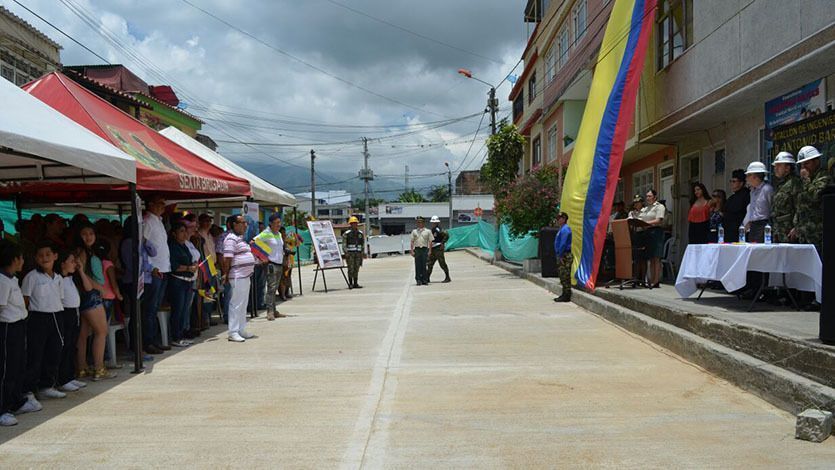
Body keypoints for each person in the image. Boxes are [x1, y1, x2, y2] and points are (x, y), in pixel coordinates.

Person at [0, 241, 39, 426]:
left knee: (17, 366)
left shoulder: (11, 278)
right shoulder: (2, 280)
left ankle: (16, 401)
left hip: (18, 325)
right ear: (15, 259)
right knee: (6, 369)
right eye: (21, 258)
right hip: (7, 327)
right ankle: (3, 408)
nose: (23, 261)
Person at [21, 241, 66, 399]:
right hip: (37, 318)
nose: (44, 258)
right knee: (35, 354)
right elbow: (25, 300)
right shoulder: (31, 277)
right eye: (40, 255)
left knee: (54, 351)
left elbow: (60, 299)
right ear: (35, 258)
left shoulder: (59, 278)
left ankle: (47, 385)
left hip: (56, 316)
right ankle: (28, 389)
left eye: (48, 254)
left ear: (55, 256)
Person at [75, 225, 117, 381]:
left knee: (83, 334)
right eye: (84, 234)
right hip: (91, 294)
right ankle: (99, 368)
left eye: (91, 233)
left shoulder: (90, 251)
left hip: (89, 295)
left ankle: (82, 368)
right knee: (101, 332)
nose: (88, 236)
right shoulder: (82, 252)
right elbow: (83, 276)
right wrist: (100, 288)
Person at [142, 195, 171, 354]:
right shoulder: (147, 221)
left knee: (155, 308)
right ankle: (148, 342)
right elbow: (141, 245)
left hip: (163, 269)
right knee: (150, 309)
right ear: (151, 204)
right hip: (154, 271)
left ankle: (153, 340)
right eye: (159, 204)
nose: (162, 207)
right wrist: (150, 267)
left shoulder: (158, 221)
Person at [791, 145, 831, 254]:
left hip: (817, 232)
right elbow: (800, 205)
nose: (804, 167)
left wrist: (806, 180)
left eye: (807, 163)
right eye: (801, 165)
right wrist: (796, 226)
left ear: (816, 161)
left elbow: (814, 197)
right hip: (804, 232)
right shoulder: (804, 180)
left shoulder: (824, 177)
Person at [222, 215, 256, 342]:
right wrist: (226, 273)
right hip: (237, 275)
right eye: (242, 223)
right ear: (234, 225)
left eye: (245, 223)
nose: (245, 225)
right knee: (236, 304)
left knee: (243, 304)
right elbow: (227, 258)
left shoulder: (240, 239)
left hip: (245, 275)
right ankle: (233, 331)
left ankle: (241, 329)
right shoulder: (231, 239)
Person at [56, 250, 86, 392]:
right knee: (66, 345)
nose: (75, 264)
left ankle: (69, 376)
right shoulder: (59, 279)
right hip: (66, 313)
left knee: (72, 345)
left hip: (75, 312)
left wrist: (80, 270)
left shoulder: (70, 278)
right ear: (63, 264)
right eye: (72, 261)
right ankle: (62, 378)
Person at [167, 221, 196, 348]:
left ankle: (182, 334)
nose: (184, 234)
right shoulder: (172, 247)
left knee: (184, 310)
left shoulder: (184, 245)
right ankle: (176, 337)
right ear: (174, 234)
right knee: (177, 310)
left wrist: (192, 266)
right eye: (181, 232)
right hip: (177, 281)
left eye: (185, 231)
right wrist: (188, 268)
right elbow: (173, 266)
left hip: (187, 281)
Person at [630, 190, 666, 288]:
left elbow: (659, 220)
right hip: (647, 232)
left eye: (650, 196)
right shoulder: (646, 208)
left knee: (656, 257)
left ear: (655, 197)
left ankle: (656, 280)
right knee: (650, 257)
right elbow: (641, 219)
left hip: (656, 231)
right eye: (647, 196)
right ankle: (650, 280)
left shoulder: (659, 207)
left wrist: (646, 224)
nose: (648, 198)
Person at [256, 214, 286, 320]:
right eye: (276, 223)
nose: (279, 225)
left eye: (279, 222)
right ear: (270, 223)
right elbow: (254, 242)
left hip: (279, 264)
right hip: (271, 265)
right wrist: (263, 257)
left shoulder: (278, 234)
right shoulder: (266, 233)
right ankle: (269, 311)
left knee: (275, 288)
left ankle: (274, 309)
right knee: (271, 288)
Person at [770, 151, 802, 243]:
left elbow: (799, 207)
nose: (775, 169)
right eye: (775, 166)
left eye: (779, 166)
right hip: (779, 231)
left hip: (789, 231)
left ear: (787, 168)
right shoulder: (781, 184)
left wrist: (796, 227)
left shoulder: (794, 183)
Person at [742, 161, 773, 243]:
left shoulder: (767, 189)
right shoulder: (752, 191)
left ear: (756, 177)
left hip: (764, 225)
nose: (746, 178)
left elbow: (772, 207)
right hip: (753, 226)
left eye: (749, 175)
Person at [724, 169, 750, 243]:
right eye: (731, 181)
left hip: (740, 232)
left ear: (741, 183)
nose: (732, 184)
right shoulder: (731, 198)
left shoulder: (747, 195)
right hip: (729, 232)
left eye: (734, 181)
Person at [553, 212, 573, 303]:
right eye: (557, 218)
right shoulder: (561, 229)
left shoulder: (565, 229)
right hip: (562, 255)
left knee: (565, 276)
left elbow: (563, 244)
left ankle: (567, 295)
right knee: (562, 275)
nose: (558, 220)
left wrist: (560, 255)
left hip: (564, 255)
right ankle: (564, 293)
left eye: (560, 218)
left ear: (564, 219)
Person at [427, 215, 451, 283]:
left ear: (437, 222)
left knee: (442, 263)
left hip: (438, 248)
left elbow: (447, 235)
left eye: (435, 222)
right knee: (430, 263)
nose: (433, 223)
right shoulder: (433, 229)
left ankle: (447, 277)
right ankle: (427, 278)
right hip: (433, 248)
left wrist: (442, 243)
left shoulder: (438, 229)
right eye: (433, 222)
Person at [342, 216, 365, 289]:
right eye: (353, 223)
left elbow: (362, 244)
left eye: (356, 223)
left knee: (356, 268)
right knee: (350, 268)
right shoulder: (347, 234)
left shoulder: (360, 233)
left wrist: (362, 253)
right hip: (350, 254)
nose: (355, 225)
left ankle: (355, 283)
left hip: (358, 253)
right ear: (350, 224)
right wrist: (346, 253)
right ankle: (350, 283)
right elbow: (344, 244)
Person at [410, 217, 433, 286]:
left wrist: (430, 251)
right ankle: (418, 280)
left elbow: (430, 241)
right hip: (417, 250)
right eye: (418, 222)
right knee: (418, 265)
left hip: (424, 249)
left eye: (421, 222)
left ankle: (424, 280)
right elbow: (412, 241)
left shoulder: (428, 231)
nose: (419, 224)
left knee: (424, 265)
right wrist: (412, 251)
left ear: (423, 223)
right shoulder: (414, 231)